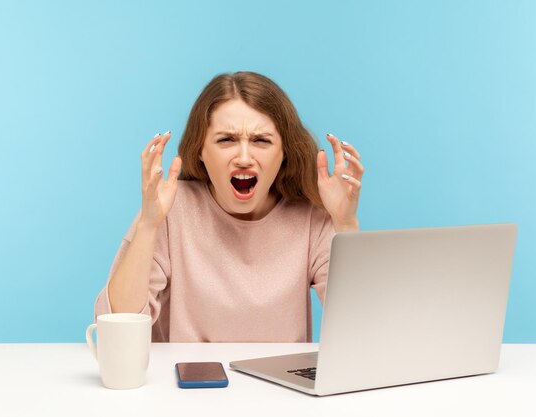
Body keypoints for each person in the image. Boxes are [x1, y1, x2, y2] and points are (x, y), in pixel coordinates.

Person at [94, 71, 364, 342]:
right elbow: (116, 329)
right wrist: (148, 224)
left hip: (279, 384)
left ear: (284, 153)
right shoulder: (170, 209)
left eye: (261, 141)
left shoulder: (311, 219)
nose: (244, 158)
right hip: (187, 382)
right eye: (226, 140)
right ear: (201, 150)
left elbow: (360, 327)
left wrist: (345, 225)